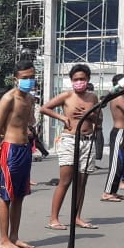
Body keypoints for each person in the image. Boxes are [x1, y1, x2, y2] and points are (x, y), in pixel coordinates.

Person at [42, 64, 99, 230]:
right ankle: (54, 218)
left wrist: (90, 115)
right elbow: (45, 108)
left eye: (82, 79)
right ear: (71, 81)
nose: (79, 82)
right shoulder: (67, 96)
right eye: (76, 79)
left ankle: (77, 217)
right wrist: (61, 117)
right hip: (69, 140)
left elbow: (99, 121)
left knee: (82, 182)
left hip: (88, 141)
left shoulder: (93, 98)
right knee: (65, 180)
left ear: (88, 80)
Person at [0, 62, 37, 248]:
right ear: (16, 79)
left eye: (31, 77)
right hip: (10, 149)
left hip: (25, 149)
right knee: (6, 196)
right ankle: (4, 239)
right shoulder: (8, 98)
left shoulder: (30, 99)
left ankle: (14, 236)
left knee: (20, 195)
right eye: (25, 78)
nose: (29, 81)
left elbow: (30, 122)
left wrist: (30, 130)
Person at [101, 73, 124, 202]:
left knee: (120, 165)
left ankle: (113, 192)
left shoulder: (122, 97)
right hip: (119, 133)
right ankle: (107, 192)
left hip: (123, 132)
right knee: (116, 164)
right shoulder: (118, 98)